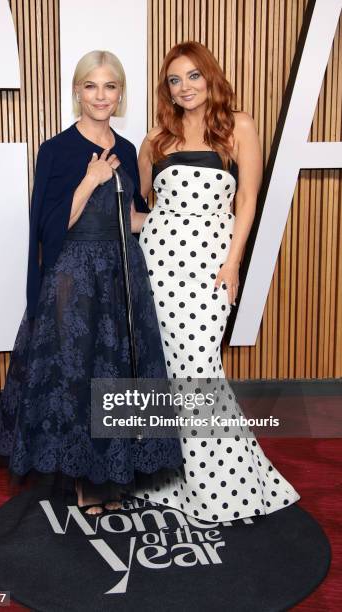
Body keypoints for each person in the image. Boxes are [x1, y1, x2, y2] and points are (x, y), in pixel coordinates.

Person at [0, 50, 182, 515]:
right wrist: (90, 179)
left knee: (117, 372)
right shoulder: (57, 150)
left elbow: (131, 218)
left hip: (121, 272)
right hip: (74, 274)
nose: (101, 96)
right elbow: (51, 227)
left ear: (120, 94)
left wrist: (178, 216)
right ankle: (85, 480)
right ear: (77, 91)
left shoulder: (130, 149)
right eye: (91, 86)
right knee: (80, 376)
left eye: (110, 86)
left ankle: (112, 471)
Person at [133, 41, 300, 521]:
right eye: (174, 80)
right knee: (166, 370)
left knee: (200, 367)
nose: (185, 87)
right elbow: (142, 206)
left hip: (210, 263)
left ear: (210, 77)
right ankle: (167, 478)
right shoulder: (155, 139)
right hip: (159, 264)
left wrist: (233, 263)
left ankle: (223, 486)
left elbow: (246, 200)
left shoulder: (238, 125)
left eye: (193, 76)